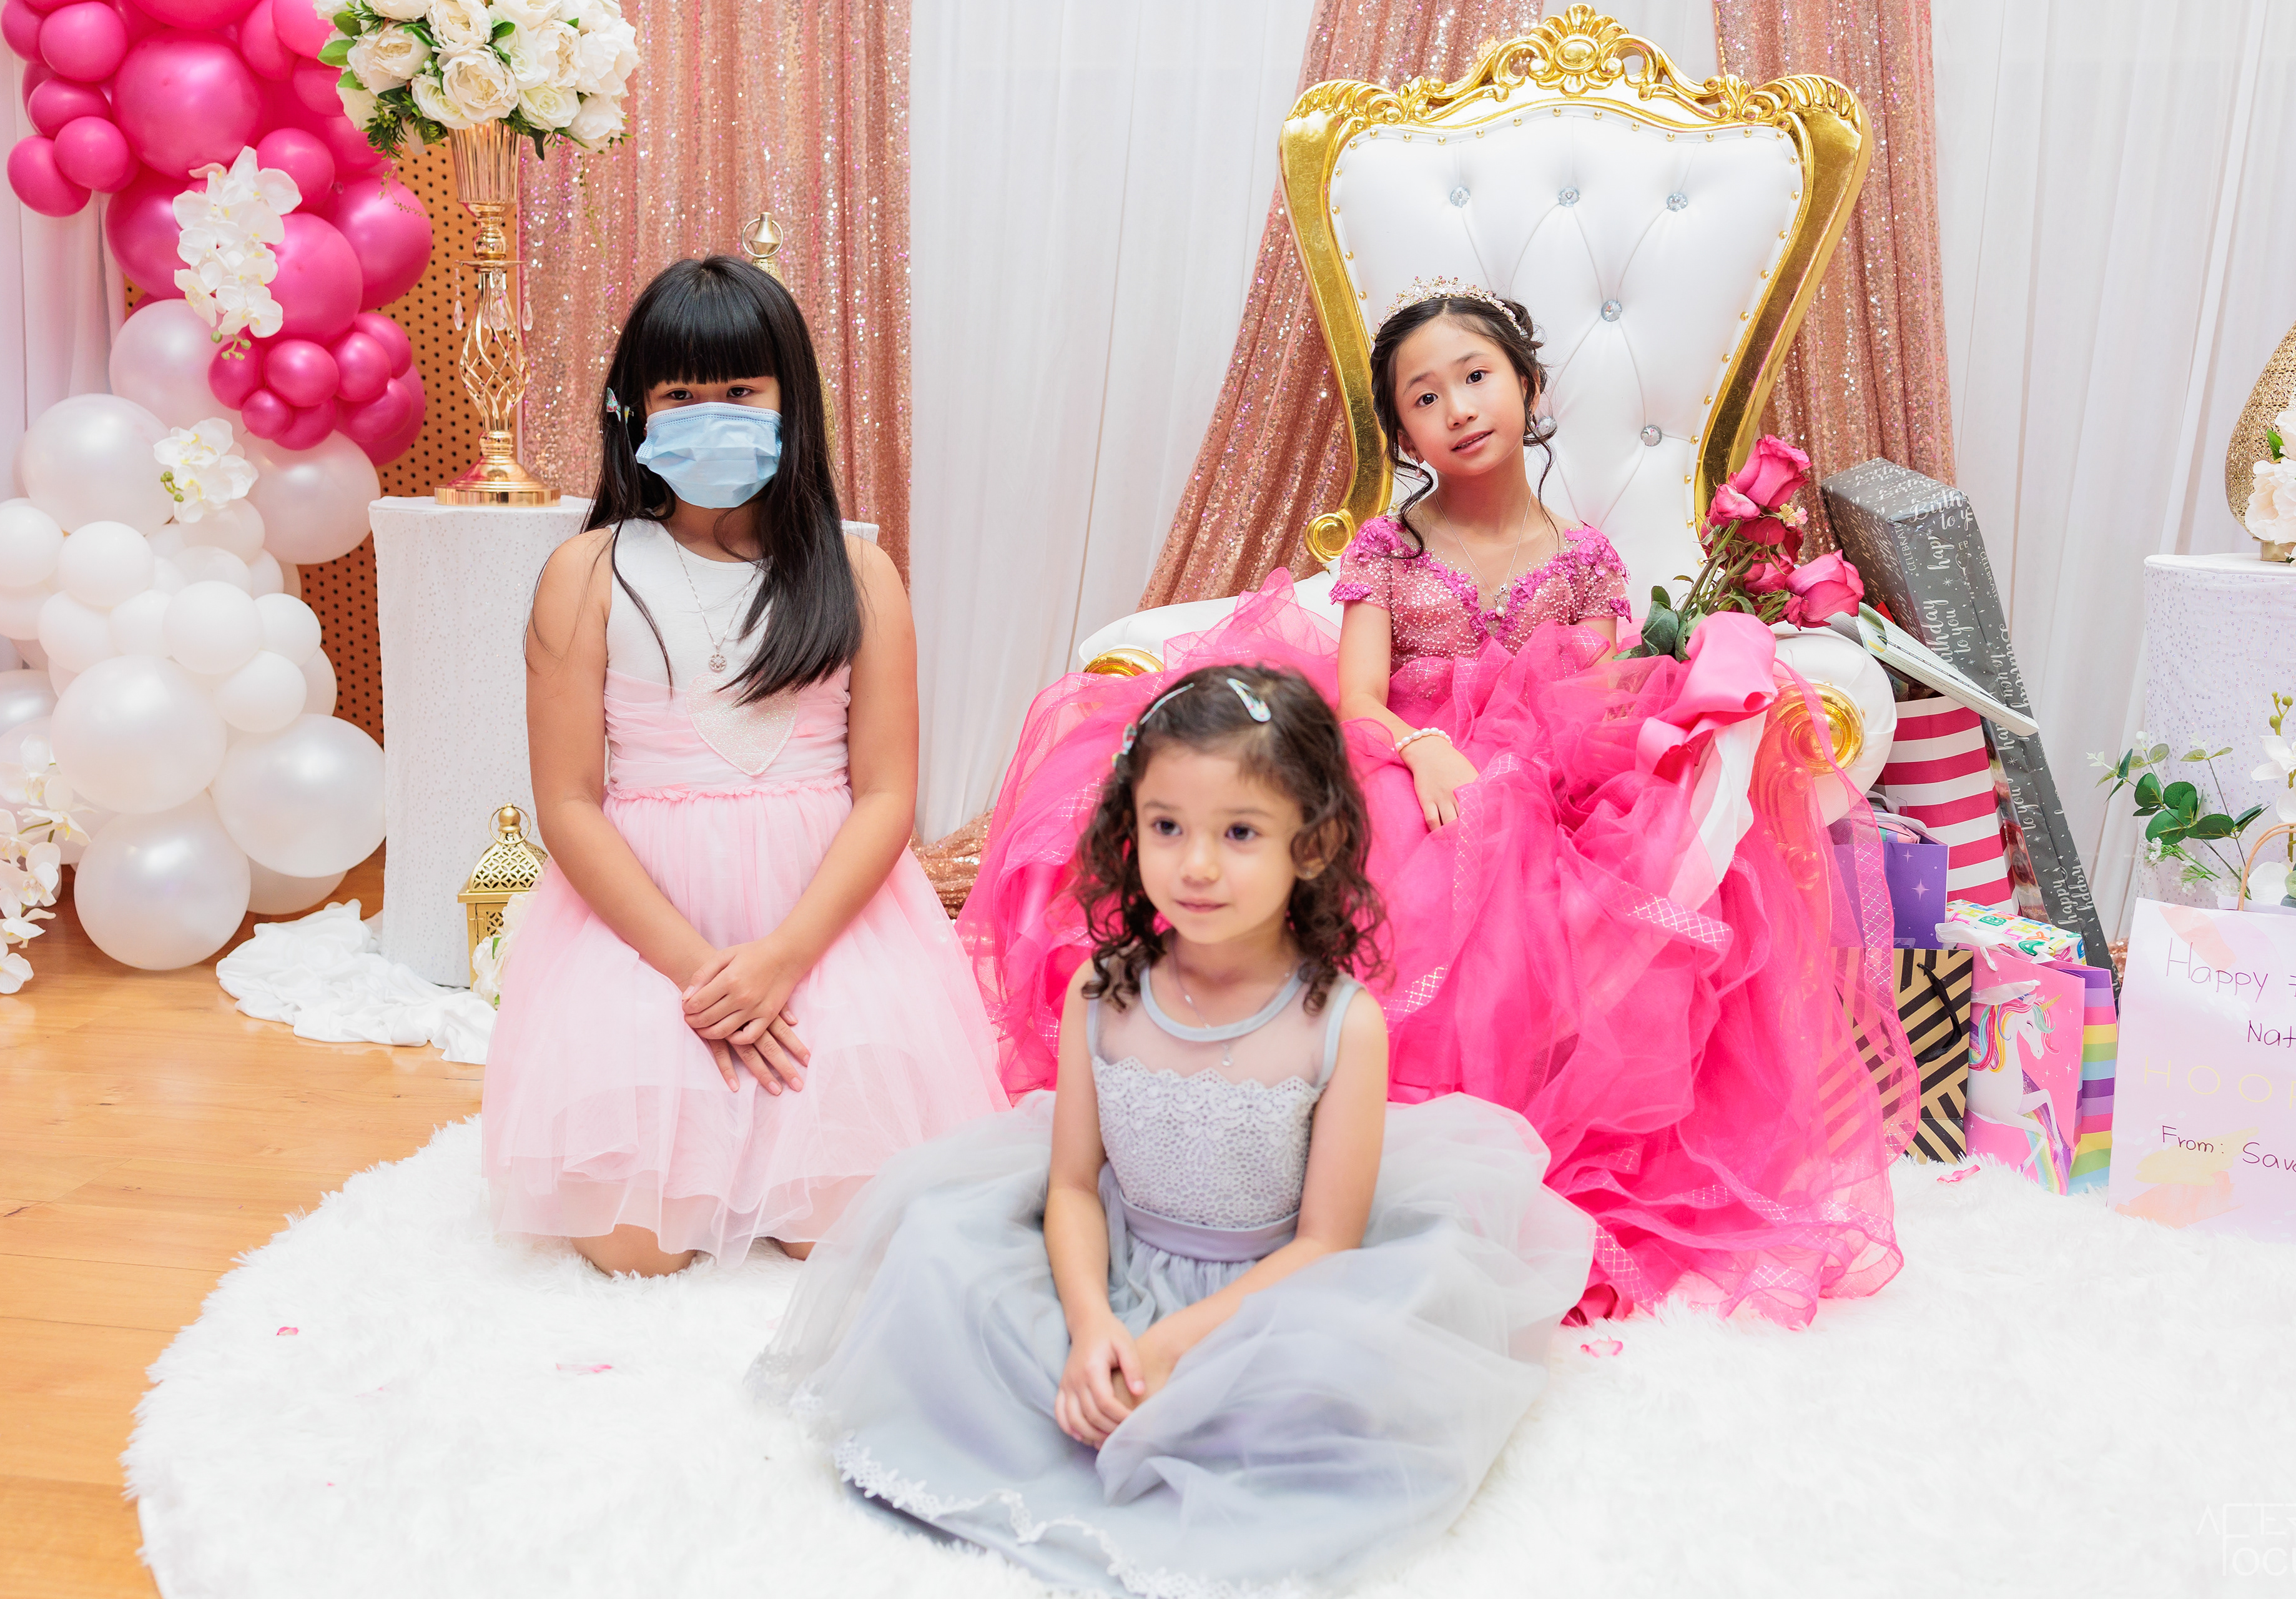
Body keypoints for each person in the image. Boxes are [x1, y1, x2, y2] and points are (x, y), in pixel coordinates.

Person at [959, 284, 1911, 1329]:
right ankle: (1309, 1145)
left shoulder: (1585, 558)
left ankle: (1490, 1161)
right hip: (1401, 760)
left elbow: (1596, 705)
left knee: (1568, 851)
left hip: (1541, 784)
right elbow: (1361, 699)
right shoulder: (1389, 549)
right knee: (1413, 844)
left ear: (1529, 389)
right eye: (1424, 397)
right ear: (1403, 433)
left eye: (1475, 378)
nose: (1456, 408)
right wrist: (1427, 753)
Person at [759, 665, 1593, 1595]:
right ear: (1132, 828)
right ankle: (1073, 1389)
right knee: (938, 1254)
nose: (1196, 865)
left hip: (1267, 1298)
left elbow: (1324, 1244)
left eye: (1239, 833)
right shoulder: (1104, 991)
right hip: (1109, 1261)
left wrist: (1171, 1343)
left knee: (1334, 1375)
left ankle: (1174, 1423)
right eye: (1167, 827)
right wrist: (1092, 1326)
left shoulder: (1339, 1023)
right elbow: (1071, 1186)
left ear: (1313, 844)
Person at [482, 256, 1005, 1276]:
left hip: (824, 920)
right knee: (637, 1239)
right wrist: (699, 973)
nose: (709, 417)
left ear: (789, 401)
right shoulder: (587, 572)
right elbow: (569, 801)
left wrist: (782, 961)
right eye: (680, 395)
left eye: (739, 391)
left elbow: (886, 793)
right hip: (648, 926)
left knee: (838, 1222)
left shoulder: (859, 573)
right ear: (633, 411)